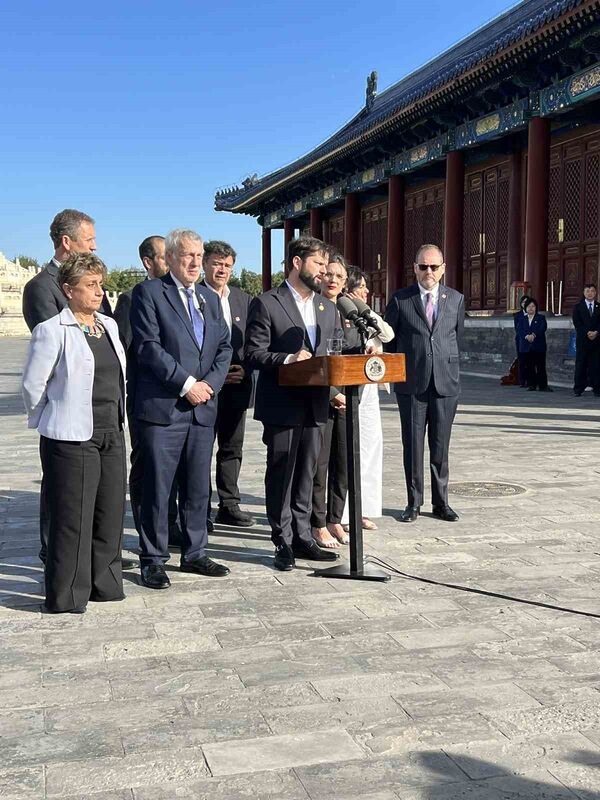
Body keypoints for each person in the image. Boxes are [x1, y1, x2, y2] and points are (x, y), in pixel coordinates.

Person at [21, 253, 127, 614]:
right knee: (72, 519)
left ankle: (106, 583)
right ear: (69, 290)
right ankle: (67, 595)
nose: (99, 292)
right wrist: (47, 420)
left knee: (109, 511)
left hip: (111, 430)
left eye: (101, 284)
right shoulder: (51, 330)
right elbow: (33, 386)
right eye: (91, 285)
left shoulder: (108, 327)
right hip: (70, 436)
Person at [130, 229, 232, 590]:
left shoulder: (209, 297)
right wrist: (187, 384)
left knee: (196, 485)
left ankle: (194, 553)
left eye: (198, 255)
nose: (193, 262)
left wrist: (210, 386)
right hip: (164, 410)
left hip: (203, 407)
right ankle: (153, 558)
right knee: (158, 487)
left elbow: (224, 347)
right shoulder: (149, 293)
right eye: (186, 255)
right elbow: (148, 348)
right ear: (170, 258)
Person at [245, 236, 340, 572]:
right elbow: (253, 353)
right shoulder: (267, 302)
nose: (324, 273)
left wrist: (336, 388)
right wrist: (288, 358)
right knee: (282, 473)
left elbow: (333, 355)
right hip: (282, 404)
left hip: (316, 404)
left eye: (326, 267)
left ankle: (303, 535)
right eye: (318, 264)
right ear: (297, 263)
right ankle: (282, 539)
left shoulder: (328, 307)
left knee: (308, 473)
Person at [384, 243, 464, 524]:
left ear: (443, 269)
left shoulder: (455, 299)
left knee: (441, 447)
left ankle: (441, 503)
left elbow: (456, 337)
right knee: (413, 446)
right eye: (423, 266)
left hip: (445, 384)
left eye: (433, 266)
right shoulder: (400, 300)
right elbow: (389, 341)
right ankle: (413, 502)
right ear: (414, 268)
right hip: (412, 385)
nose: (428, 271)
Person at [114, 236, 185, 547]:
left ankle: (171, 525)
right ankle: (149, 531)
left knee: (176, 468)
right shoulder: (132, 298)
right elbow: (128, 353)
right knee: (147, 466)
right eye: (164, 257)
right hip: (149, 398)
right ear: (148, 262)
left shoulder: (185, 297)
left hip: (181, 397)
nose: (171, 263)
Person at [201, 241, 255, 528]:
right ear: (204, 264)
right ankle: (199, 508)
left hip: (237, 384)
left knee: (232, 447)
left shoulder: (243, 300)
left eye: (227, 265)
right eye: (216, 263)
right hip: (205, 388)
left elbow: (254, 341)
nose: (222, 269)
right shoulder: (194, 296)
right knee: (201, 449)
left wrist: (245, 369)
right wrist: (216, 375)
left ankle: (229, 503)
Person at [341, 268, 394, 532]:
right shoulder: (340, 312)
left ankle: (365, 508)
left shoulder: (363, 315)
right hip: (348, 389)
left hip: (370, 387)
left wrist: (364, 307)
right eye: (361, 287)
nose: (366, 291)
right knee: (349, 450)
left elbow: (388, 334)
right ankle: (344, 512)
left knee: (370, 448)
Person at [310, 253, 351, 548]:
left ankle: (336, 518)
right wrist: (331, 392)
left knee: (343, 462)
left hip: (349, 396)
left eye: (339, 276)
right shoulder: (312, 309)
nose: (333, 279)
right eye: (329, 274)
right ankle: (318, 521)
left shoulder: (351, 312)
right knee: (320, 464)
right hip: (321, 396)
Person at [516, 299, 551, 392]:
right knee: (529, 366)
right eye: (529, 306)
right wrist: (526, 336)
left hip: (538, 345)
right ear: (525, 308)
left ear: (536, 308)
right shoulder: (522, 319)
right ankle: (532, 384)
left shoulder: (541, 318)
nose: (531, 308)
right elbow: (519, 330)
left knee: (540, 366)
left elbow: (542, 328)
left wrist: (534, 335)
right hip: (526, 345)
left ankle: (543, 386)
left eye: (533, 306)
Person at [572, 284, 600, 397]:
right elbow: (577, 323)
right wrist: (587, 332)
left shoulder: (599, 306)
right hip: (583, 340)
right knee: (581, 364)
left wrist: (596, 332)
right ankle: (578, 388)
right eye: (587, 291)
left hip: (597, 340)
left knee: (596, 365)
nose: (590, 293)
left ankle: (597, 388)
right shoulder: (578, 307)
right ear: (584, 293)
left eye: (592, 291)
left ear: (595, 293)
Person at [513, 294, 531, 388]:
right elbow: (517, 328)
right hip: (521, 340)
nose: (525, 304)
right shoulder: (517, 315)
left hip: (532, 340)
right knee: (522, 361)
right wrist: (525, 336)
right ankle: (522, 381)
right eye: (523, 302)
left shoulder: (533, 314)